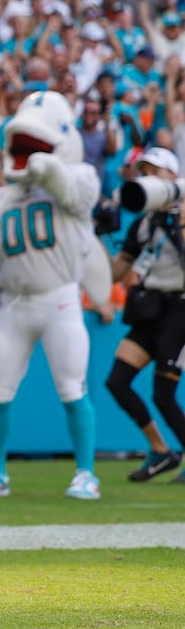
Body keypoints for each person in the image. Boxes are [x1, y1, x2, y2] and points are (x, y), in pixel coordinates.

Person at [0, 91, 113, 501]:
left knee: (72, 387)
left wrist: (48, 168)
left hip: (60, 299)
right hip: (11, 304)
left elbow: (76, 191)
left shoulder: (77, 178)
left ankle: (86, 472)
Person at [104, 147, 185, 483]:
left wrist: (177, 223)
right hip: (150, 308)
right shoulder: (144, 223)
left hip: (180, 309)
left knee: (162, 393)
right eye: (144, 172)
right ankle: (161, 450)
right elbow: (115, 272)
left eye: (155, 171)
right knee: (117, 382)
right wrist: (99, 234)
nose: (148, 179)